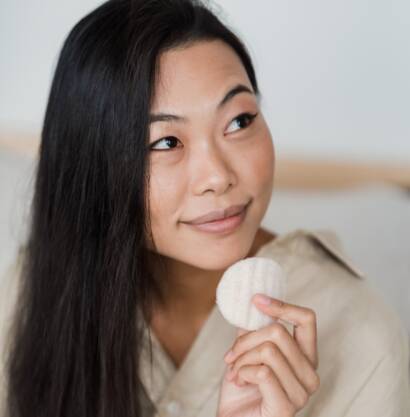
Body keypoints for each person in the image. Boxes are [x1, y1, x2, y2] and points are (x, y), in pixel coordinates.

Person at [0, 0, 409, 416]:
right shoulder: (31, 297)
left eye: (239, 121)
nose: (217, 176)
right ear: (93, 166)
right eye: (166, 142)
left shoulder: (360, 337)